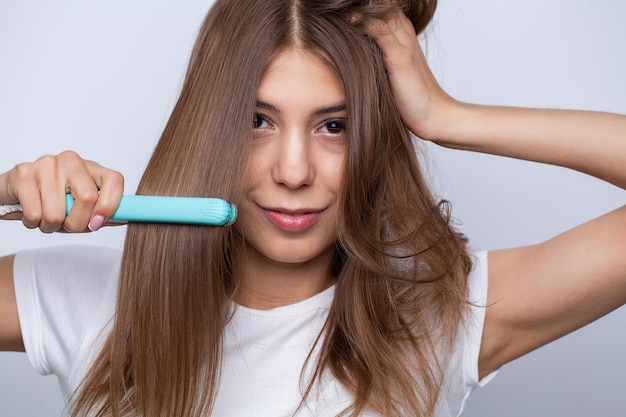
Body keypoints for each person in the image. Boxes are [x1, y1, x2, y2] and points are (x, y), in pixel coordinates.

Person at [0, 0, 625, 416]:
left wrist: (446, 117)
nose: (293, 172)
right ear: (209, 128)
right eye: (256, 121)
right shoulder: (88, 299)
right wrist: (6, 190)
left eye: (334, 126)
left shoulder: (443, 314)